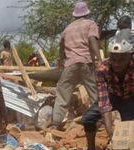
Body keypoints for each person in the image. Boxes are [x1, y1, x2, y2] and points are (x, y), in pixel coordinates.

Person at [51, 1, 102, 149]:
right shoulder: (91, 24)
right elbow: (92, 39)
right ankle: (99, 121)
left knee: (63, 92)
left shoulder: (67, 28)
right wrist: (98, 58)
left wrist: (61, 60)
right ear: (87, 13)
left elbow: (61, 46)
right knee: (94, 93)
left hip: (71, 64)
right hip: (86, 62)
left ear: (75, 15)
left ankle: (56, 124)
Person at [81, 18, 134, 150]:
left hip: (131, 98)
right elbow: (104, 102)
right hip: (113, 96)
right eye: (114, 59)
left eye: (122, 59)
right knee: (88, 118)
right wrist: (109, 128)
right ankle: (91, 148)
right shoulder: (103, 69)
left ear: (130, 55)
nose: (117, 63)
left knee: (129, 124)